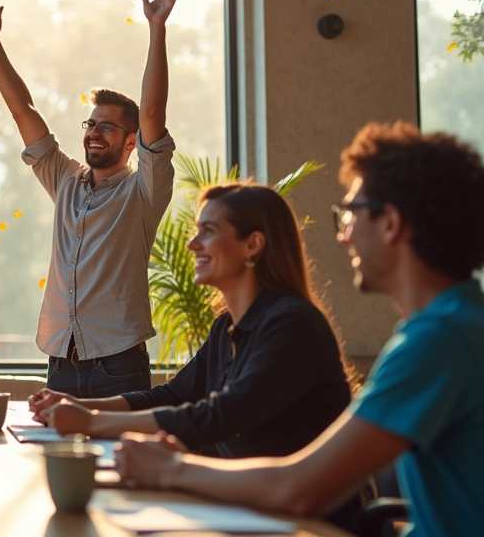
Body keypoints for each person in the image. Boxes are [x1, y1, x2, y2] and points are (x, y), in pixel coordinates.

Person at [115, 122, 484, 537]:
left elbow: (299, 489)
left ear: (390, 223)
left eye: (350, 214)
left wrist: (170, 469)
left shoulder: (439, 342)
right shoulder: (457, 325)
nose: (344, 235)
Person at [0, 0, 178, 398]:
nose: (94, 132)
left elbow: (153, 110)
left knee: (121, 467)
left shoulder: (143, 191)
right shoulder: (64, 178)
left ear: (130, 141)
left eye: (108, 126)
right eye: (91, 123)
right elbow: (23, 111)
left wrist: (156, 30)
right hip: (61, 364)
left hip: (118, 365)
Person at [29, 184, 353, 457]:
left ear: (252, 245)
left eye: (208, 232)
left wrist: (90, 422)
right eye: (196, 231)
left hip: (304, 523)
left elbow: (219, 416)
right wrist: (81, 405)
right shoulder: (226, 327)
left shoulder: (292, 325)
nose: (192, 244)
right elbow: (172, 395)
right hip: (248, 508)